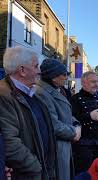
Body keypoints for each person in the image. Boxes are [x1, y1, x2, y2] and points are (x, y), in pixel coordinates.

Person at [0, 47, 57, 180]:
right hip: (28, 174)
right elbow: (9, 142)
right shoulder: (3, 95)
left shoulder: (31, 93)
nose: (39, 71)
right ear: (22, 70)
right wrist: (36, 167)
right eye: (36, 66)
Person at [36, 59, 82, 180]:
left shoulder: (57, 90)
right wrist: (74, 132)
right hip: (55, 148)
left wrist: (76, 123)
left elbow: (66, 114)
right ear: (53, 76)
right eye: (64, 74)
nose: (66, 77)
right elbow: (53, 125)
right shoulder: (42, 93)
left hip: (64, 145)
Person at [71, 71, 98, 174]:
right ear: (83, 83)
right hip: (84, 145)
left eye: (97, 82)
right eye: (93, 82)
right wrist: (89, 116)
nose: (96, 84)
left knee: (97, 174)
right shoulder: (75, 99)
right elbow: (71, 120)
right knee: (84, 174)